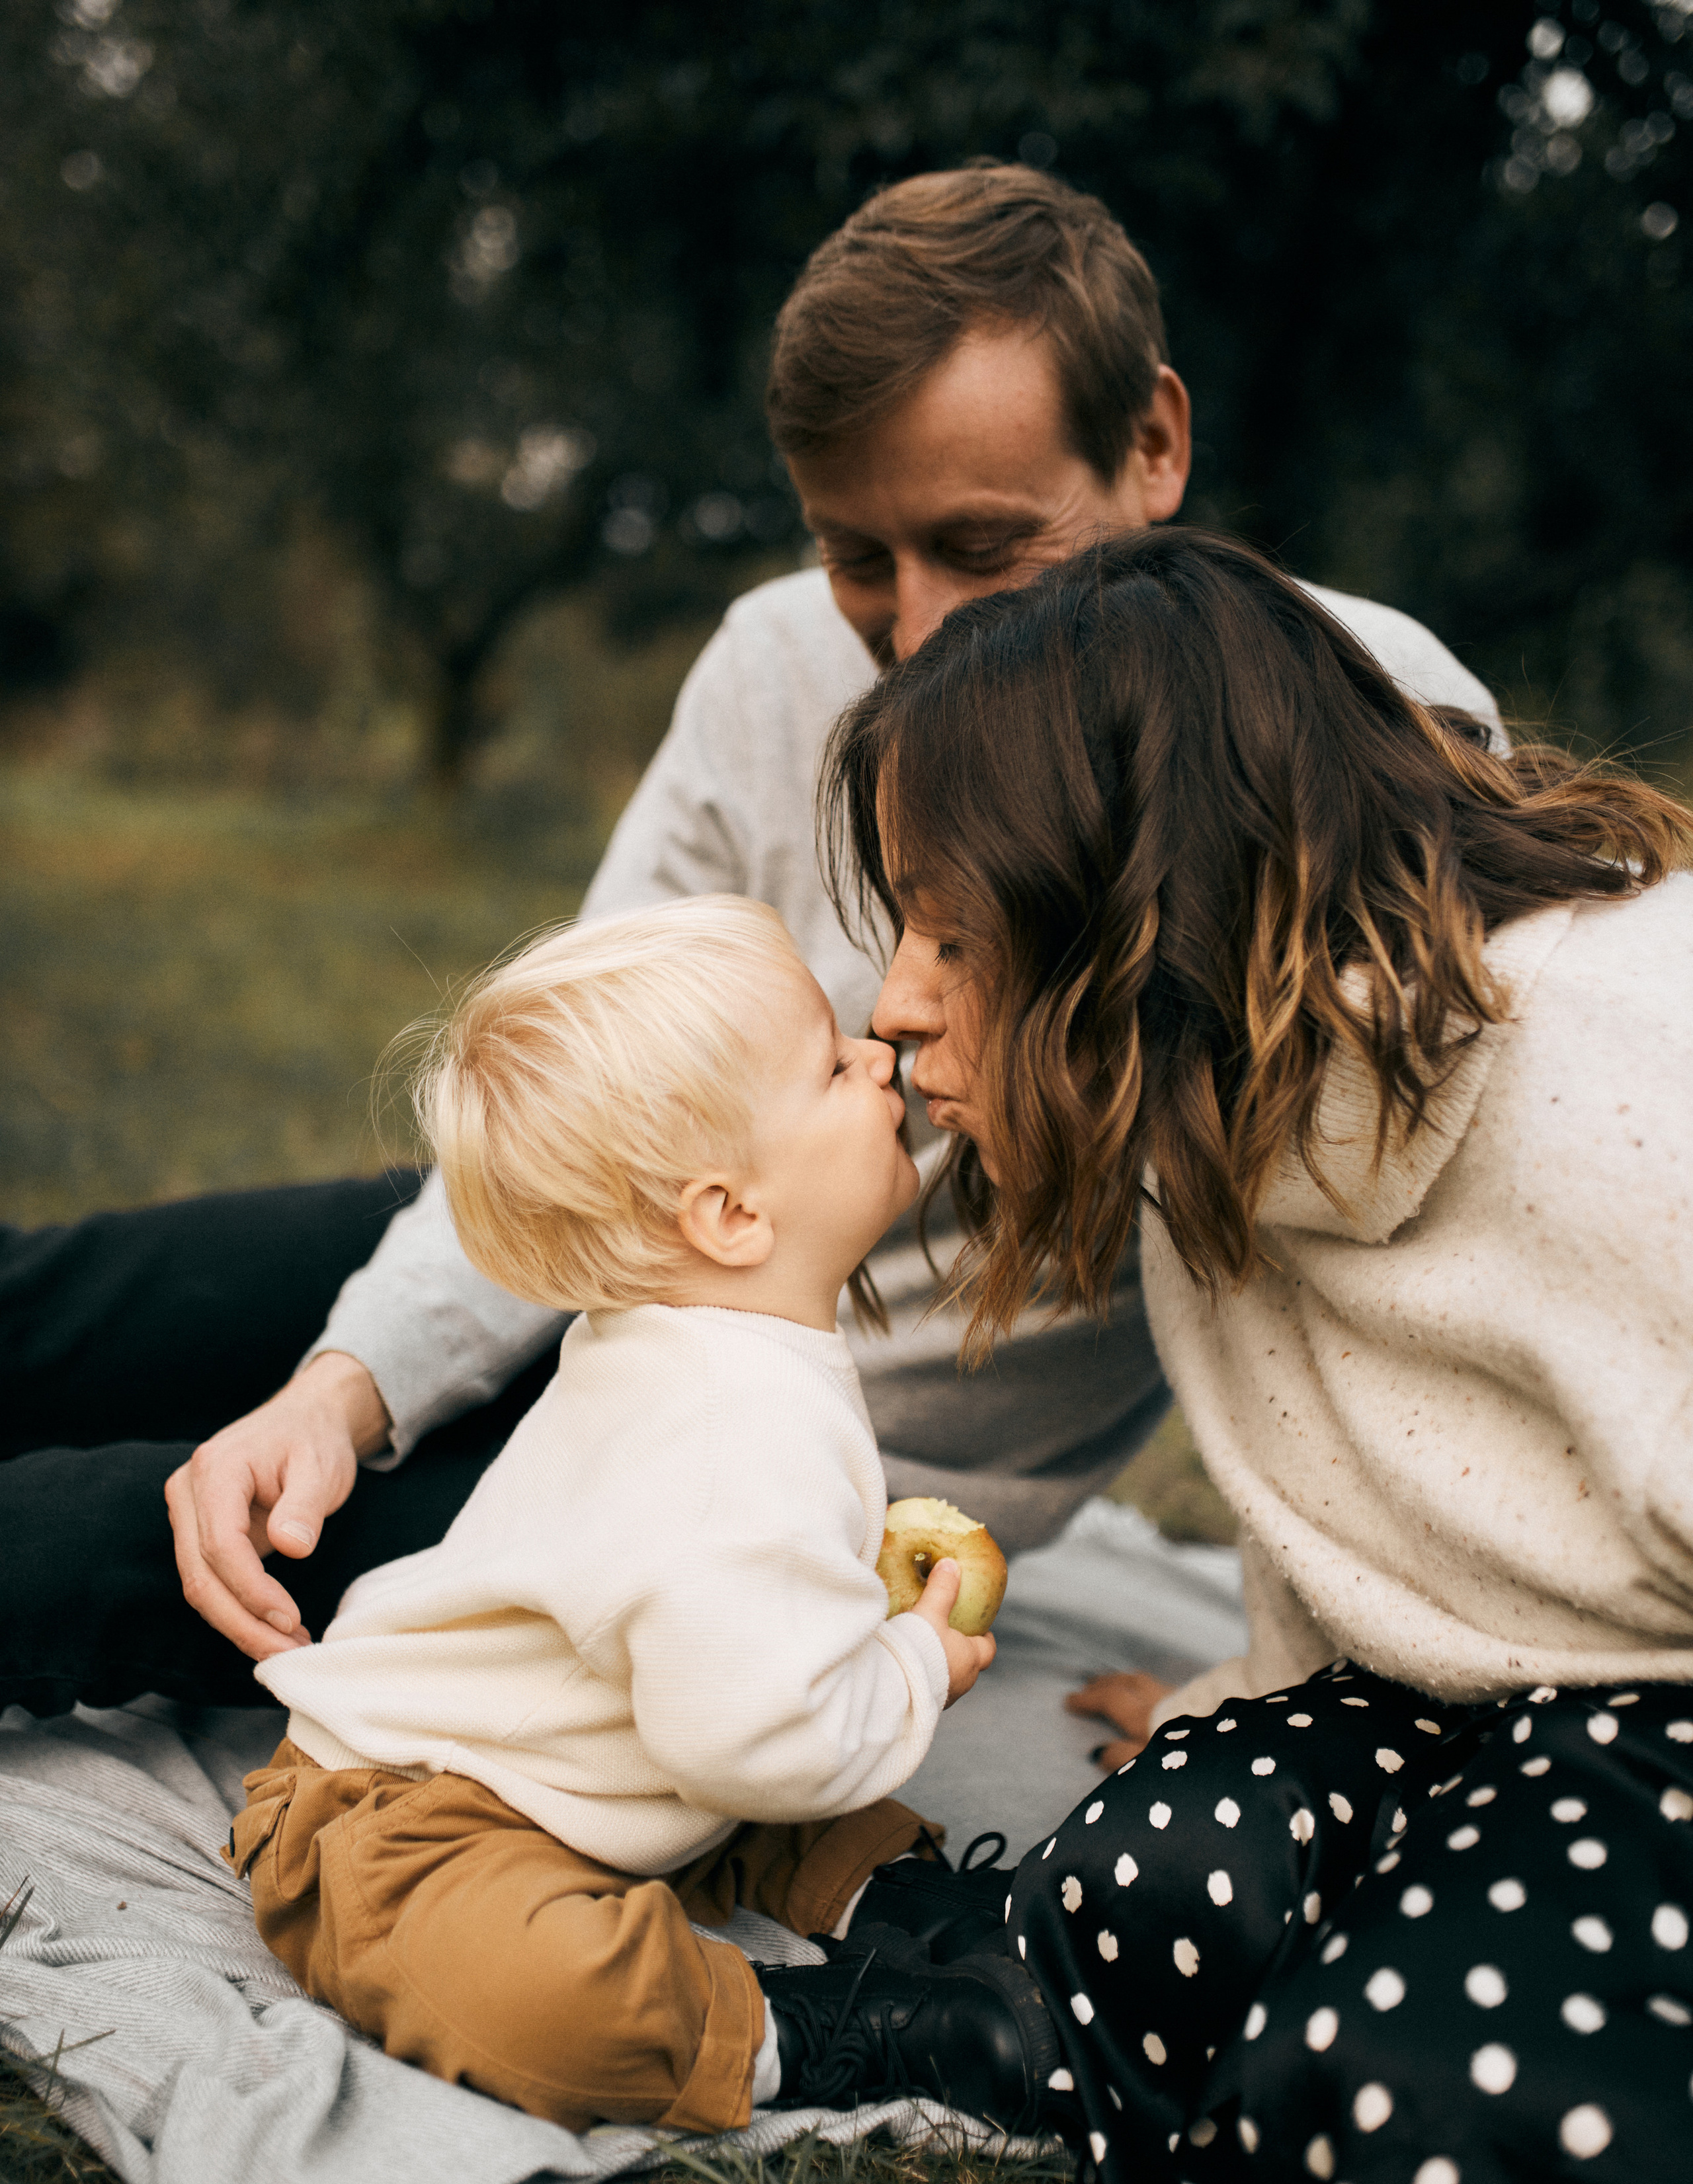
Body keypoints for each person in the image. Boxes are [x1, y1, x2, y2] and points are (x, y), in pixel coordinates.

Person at [1, 162, 1503, 1719]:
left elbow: (1386, 1293)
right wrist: (348, 1384)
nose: (918, 631)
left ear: (1151, 447)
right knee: (74, 1304)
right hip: (607, 1234)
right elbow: (590, 1091)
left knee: (102, 1541)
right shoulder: (771, 664)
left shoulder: (1347, 732)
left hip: (771, 1454)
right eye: (856, 556)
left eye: (983, 545)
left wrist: (1264, 1703)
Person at [824, 524, 1693, 2184]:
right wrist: (1257, 1707)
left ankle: (1417, 2114)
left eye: (951, 936)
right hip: (1506, 1708)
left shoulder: (1634, 1085)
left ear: (1138, 913)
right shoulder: (1209, 1134)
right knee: (1136, 1886)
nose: (892, 1005)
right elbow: (1347, 1493)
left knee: (1416, 2045)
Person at [226, 895, 1061, 2136]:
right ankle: (809, 2029)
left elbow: (742, 1654)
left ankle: (900, 1902)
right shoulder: (727, 1428)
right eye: (832, 1067)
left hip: (630, 1757)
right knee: (534, 1989)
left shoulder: (714, 1349)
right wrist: (911, 1668)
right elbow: (750, 1735)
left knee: (780, 1771)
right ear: (731, 1215)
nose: (878, 1055)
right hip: (403, 1816)